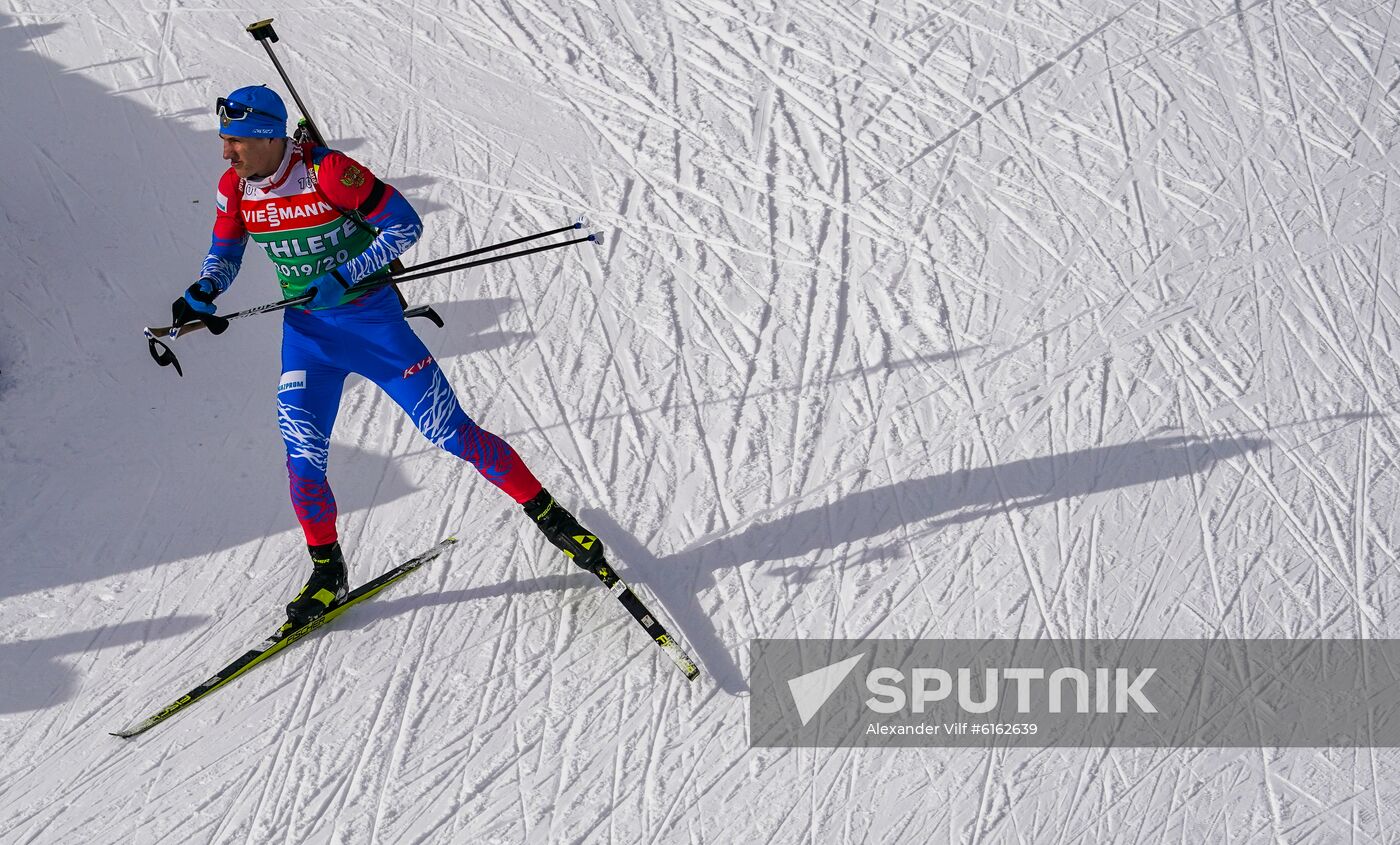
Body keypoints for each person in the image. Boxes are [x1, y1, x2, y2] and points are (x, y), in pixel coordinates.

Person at [172, 85, 605, 629]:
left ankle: (555, 520)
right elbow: (225, 251)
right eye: (223, 141)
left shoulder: (327, 172)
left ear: (268, 136)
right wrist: (204, 291)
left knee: (451, 433)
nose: (226, 154)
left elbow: (404, 224)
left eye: (235, 141)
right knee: (302, 459)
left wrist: (345, 275)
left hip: (374, 328)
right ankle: (328, 573)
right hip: (309, 339)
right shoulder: (233, 190)